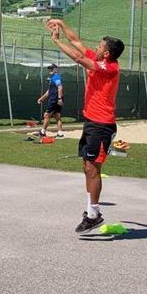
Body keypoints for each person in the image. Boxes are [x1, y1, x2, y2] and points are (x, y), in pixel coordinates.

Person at [45, 19, 124, 233]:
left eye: (100, 46)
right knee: (87, 167)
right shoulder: (99, 60)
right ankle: (92, 212)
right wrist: (60, 23)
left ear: (107, 53)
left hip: (102, 125)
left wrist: (56, 42)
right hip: (92, 122)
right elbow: (76, 41)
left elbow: (79, 57)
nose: (96, 48)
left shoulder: (109, 69)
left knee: (93, 168)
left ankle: (93, 214)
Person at [36, 63, 64, 138]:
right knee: (57, 116)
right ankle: (60, 133)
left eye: (52, 68)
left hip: (54, 99)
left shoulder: (56, 77)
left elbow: (60, 87)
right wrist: (42, 98)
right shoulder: (53, 78)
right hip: (55, 99)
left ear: (55, 69)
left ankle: (42, 132)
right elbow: (49, 91)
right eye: (50, 69)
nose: (50, 70)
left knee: (47, 115)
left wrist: (59, 99)